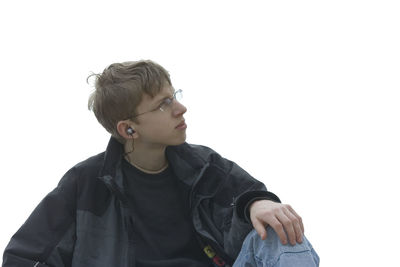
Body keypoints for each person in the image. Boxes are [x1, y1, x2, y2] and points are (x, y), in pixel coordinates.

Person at [2, 60, 319, 267]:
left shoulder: (203, 166)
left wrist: (258, 204)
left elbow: (246, 194)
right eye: (163, 104)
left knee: (281, 232)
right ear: (129, 129)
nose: (181, 108)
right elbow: (23, 257)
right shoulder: (86, 183)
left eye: (175, 95)